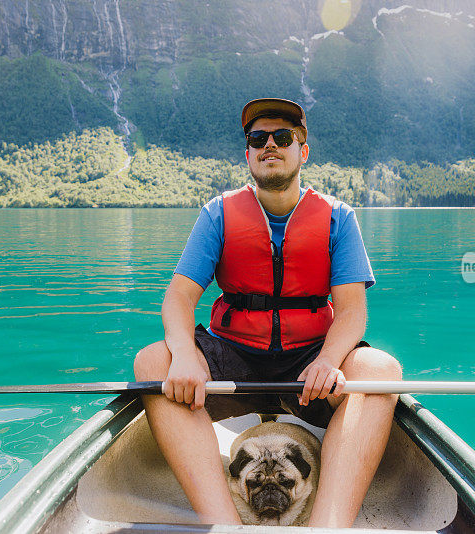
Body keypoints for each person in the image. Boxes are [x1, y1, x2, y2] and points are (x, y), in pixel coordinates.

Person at [133, 98, 402, 527]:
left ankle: (327, 525)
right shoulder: (218, 214)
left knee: (379, 368)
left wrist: (329, 360)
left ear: (303, 150)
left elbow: (351, 312)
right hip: (234, 356)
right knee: (152, 361)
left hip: (309, 363)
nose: (269, 145)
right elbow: (179, 299)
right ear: (248, 153)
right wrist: (184, 354)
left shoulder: (338, 219)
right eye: (258, 138)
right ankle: (224, 523)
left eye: (283, 137)